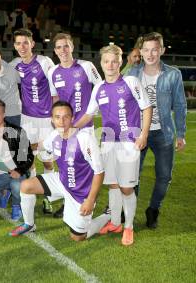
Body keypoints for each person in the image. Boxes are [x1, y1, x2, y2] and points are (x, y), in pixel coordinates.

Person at [75, 44, 152, 246]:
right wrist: (70, 128)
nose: (110, 65)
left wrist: (143, 134)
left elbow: (146, 107)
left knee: (127, 188)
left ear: (120, 62)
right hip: (108, 143)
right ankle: (116, 222)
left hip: (129, 143)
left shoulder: (130, 81)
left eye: (114, 61)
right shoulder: (99, 88)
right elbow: (89, 114)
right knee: (113, 184)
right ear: (101, 63)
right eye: (106, 61)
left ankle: (129, 227)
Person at [9, 101, 109, 240]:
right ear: (52, 119)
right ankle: (29, 224)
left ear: (72, 118)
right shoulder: (55, 135)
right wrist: (21, 147)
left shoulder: (84, 138)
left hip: (80, 192)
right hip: (61, 181)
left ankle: (108, 214)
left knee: (78, 237)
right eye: (57, 117)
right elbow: (41, 145)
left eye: (66, 117)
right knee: (26, 186)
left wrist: (90, 200)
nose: (61, 121)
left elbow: (99, 172)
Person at [127, 32, 187, 229]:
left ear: (161, 50)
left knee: (164, 176)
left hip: (163, 133)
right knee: (132, 175)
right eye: (146, 50)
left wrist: (181, 133)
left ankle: (153, 209)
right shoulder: (132, 73)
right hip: (137, 132)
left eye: (155, 49)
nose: (150, 54)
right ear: (141, 51)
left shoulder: (173, 74)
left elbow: (179, 104)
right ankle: (129, 210)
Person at [47, 32, 102, 217]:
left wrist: (90, 112)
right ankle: (68, 202)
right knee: (66, 167)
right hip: (64, 128)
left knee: (88, 168)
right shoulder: (52, 72)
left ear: (72, 47)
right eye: (59, 47)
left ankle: (89, 201)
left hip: (84, 127)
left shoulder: (86, 66)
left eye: (66, 46)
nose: (63, 50)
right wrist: (56, 121)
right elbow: (55, 98)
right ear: (54, 51)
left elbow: (100, 88)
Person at [10, 28, 55, 180]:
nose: (22, 47)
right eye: (18, 44)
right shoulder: (15, 64)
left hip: (46, 118)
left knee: (48, 160)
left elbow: (56, 88)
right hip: (27, 117)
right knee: (29, 157)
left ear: (32, 44)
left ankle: (49, 193)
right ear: (14, 46)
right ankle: (33, 187)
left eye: (25, 43)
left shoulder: (44, 62)